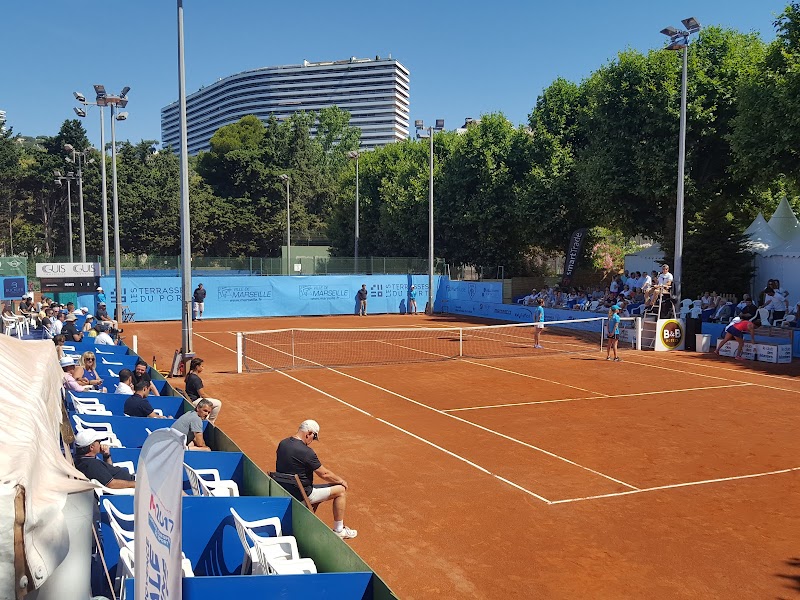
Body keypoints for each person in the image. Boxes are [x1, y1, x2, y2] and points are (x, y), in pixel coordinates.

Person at [275, 420, 357, 539]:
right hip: (303, 495)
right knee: (341, 490)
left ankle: (308, 523)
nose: (312, 441)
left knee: (321, 491)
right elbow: (324, 473)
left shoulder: (283, 443)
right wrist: (341, 480)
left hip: (285, 491)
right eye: (314, 437)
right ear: (308, 433)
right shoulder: (306, 452)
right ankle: (339, 530)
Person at [184, 357, 222, 426]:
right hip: (195, 401)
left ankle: (205, 419)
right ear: (197, 367)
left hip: (190, 399)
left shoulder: (190, 375)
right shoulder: (196, 379)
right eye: (201, 366)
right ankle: (210, 422)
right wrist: (211, 400)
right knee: (218, 403)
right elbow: (202, 394)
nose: (203, 368)